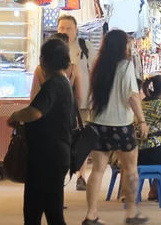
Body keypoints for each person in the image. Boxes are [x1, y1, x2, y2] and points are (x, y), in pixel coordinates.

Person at [83, 29, 148, 225]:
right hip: (121, 125)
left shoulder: (98, 66)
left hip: (98, 124)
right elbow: (132, 96)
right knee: (130, 169)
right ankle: (131, 213)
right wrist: (142, 120)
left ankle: (91, 215)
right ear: (123, 46)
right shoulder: (126, 66)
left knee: (97, 170)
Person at [8, 37, 74, 225]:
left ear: (43, 61)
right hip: (53, 155)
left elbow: (35, 112)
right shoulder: (64, 82)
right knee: (35, 210)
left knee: (50, 213)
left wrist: (16, 116)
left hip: (48, 157)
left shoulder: (53, 85)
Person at [56, 14, 94, 191]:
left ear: (76, 30)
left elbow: (95, 71)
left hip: (84, 101)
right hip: (59, 104)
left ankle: (81, 175)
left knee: (81, 139)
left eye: (69, 28)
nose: (65, 31)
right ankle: (61, 174)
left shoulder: (85, 47)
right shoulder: (52, 48)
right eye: (62, 28)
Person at [31, 33, 82, 108]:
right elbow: (79, 98)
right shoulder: (74, 69)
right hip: (66, 115)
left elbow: (33, 97)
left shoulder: (40, 69)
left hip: (44, 114)